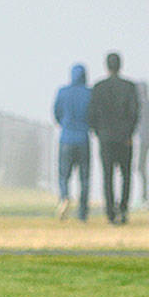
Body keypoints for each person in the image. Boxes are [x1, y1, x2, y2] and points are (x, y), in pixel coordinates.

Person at [86, 52, 140, 224]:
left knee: (107, 176)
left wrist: (98, 132)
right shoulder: (130, 87)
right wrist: (130, 132)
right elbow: (135, 113)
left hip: (106, 138)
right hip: (125, 138)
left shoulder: (98, 87)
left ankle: (110, 212)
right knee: (126, 175)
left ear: (107, 66)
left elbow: (92, 113)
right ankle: (123, 209)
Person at [53, 63, 91, 220]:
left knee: (64, 175)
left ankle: (65, 197)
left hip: (66, 138)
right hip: (83, 138)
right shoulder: (89, 93)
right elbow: (93, 114)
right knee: (84, 177)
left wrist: (64, 124)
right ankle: (82, 212)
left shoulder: (63, 92)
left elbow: (56, 113)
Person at [134, 80, 149, 208]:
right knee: (142, 168)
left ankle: (143, 197)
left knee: (140, 168)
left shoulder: (140, 104)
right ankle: (143, 196)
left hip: (141, 139)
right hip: (147, 139)